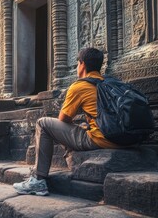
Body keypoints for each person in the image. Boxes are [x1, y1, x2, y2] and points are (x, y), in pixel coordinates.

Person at [13, 47, 119, 196]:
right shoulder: (109, 82)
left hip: (102, 139)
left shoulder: (80, 86)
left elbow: (63, 120)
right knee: (82, 126)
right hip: (124, 138)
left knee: (43, 123)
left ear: (82, 64)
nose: (77, 67)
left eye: (77, 64)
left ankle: (38, 180)